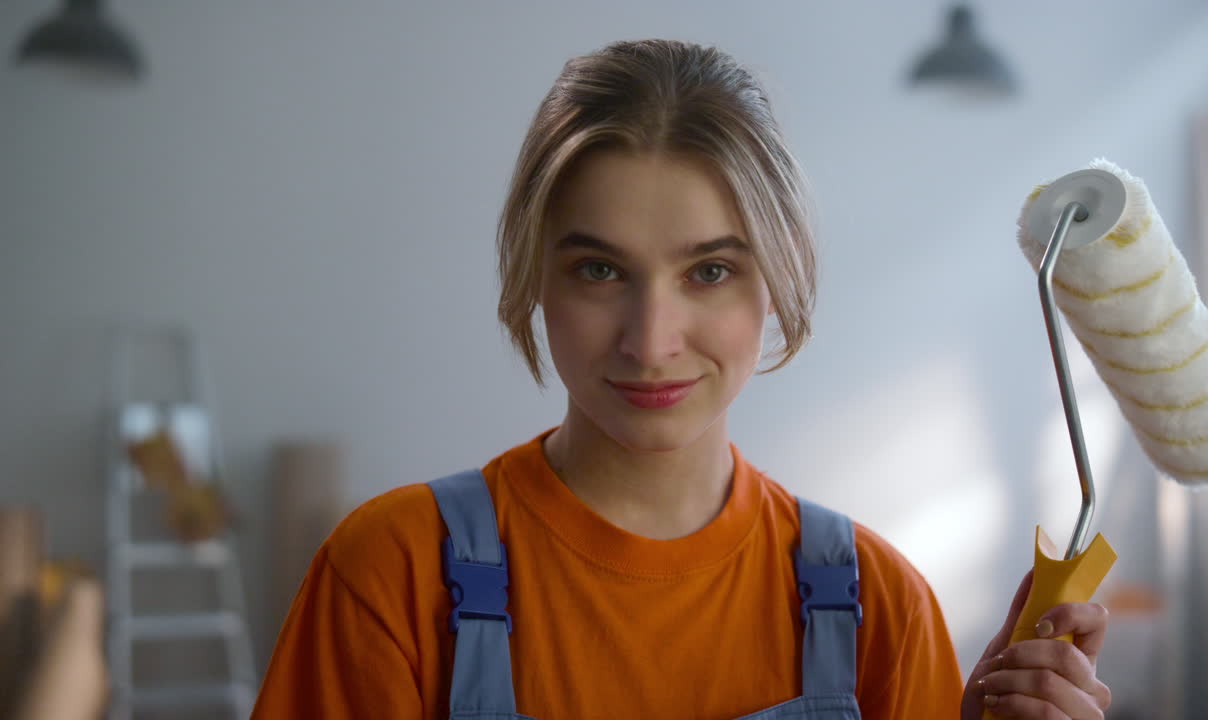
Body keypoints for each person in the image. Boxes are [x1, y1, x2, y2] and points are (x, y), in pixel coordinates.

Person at [251, 39, 1111, 719]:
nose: (651, 342)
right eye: (599, 271)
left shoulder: (881, 609)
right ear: (531, 274)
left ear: (776, 277)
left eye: (709, 272)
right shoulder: (393, 575)